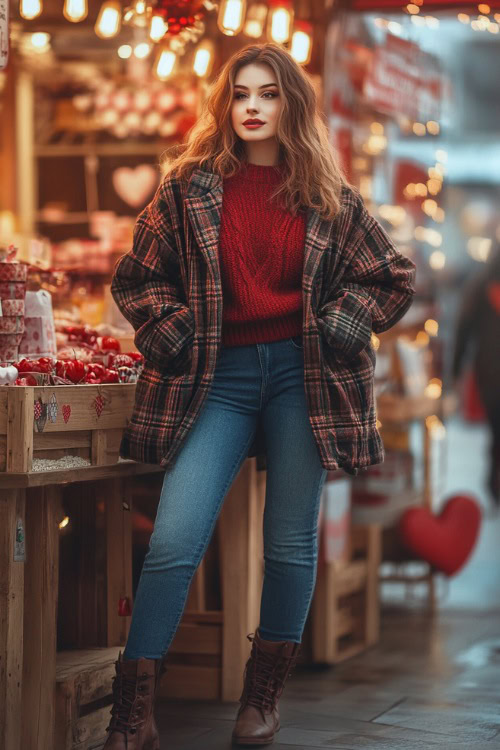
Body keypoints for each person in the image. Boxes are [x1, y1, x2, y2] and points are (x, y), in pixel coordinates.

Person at [105, 43, 416, 749]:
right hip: (217, 378)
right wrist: (178, 336)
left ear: (290, 106)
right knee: (178, 538)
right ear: (226, 103)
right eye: (241, 92)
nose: (252, 106)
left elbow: (390, 276)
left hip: (302, 378)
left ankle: (262, 699)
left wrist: (340, 325)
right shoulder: (187, 189)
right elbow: (137, 279)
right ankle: (135, 710)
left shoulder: (329, 198)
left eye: (268, 94)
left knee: (289, 543)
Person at [452, 244, 500, 508]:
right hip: (490, 371)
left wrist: (456, 368)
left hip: (489, 371)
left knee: (495, 431)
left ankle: (494, 484)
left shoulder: (479, 286)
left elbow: (463, 328)